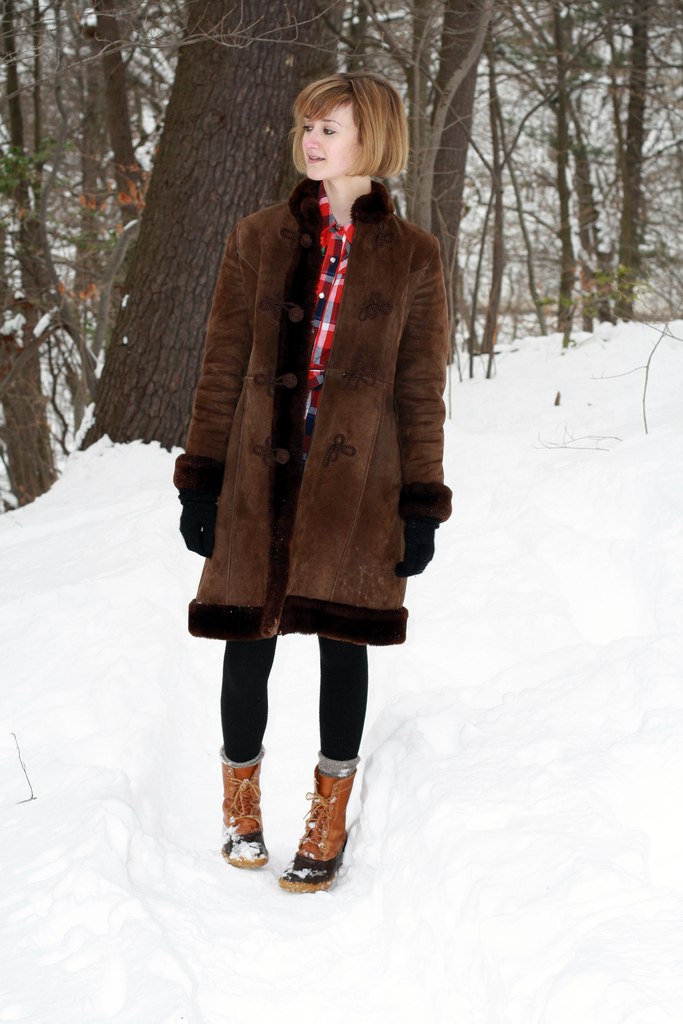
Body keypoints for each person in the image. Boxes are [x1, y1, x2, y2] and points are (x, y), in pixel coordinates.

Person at [173, 71, 452, 893]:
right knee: (245, 639)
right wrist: (202, 479)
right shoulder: (256, 236)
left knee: (344, 643)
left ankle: (326, 816)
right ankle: (240, 804)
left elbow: (418, 389)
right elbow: (221, 363)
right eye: (308, 125)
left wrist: (420, 504)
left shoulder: (412, 256)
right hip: (259, 472)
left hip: (358, 481)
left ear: (373, 140)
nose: (313, 140)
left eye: (331, 127)